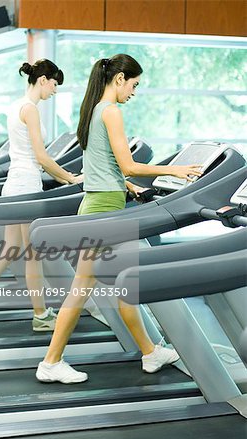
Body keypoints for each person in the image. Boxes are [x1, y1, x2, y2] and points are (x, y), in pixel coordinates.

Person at [36, 54, 203, 383]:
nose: (134, 92)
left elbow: (105, 167)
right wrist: (176, 169)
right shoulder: (111, 112)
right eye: (134, 84)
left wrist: (127, 187)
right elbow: (128, 165)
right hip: (103, 211)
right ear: (120, 78)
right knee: (86, 288)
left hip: (104, 204)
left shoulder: (95, 109)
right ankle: (51, 362)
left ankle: (150, 352)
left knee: (125, 284)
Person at [0, 58, 82, 333]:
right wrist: (72, 178)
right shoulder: (31, 110)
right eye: (54, 84)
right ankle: (40, 314)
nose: (55, 91)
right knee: (31, 255)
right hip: (26, 186)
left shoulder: (16, 106)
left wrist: (63, 177)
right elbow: (41, 156)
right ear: (42, 80)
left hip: (15, 183)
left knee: (11, 250)